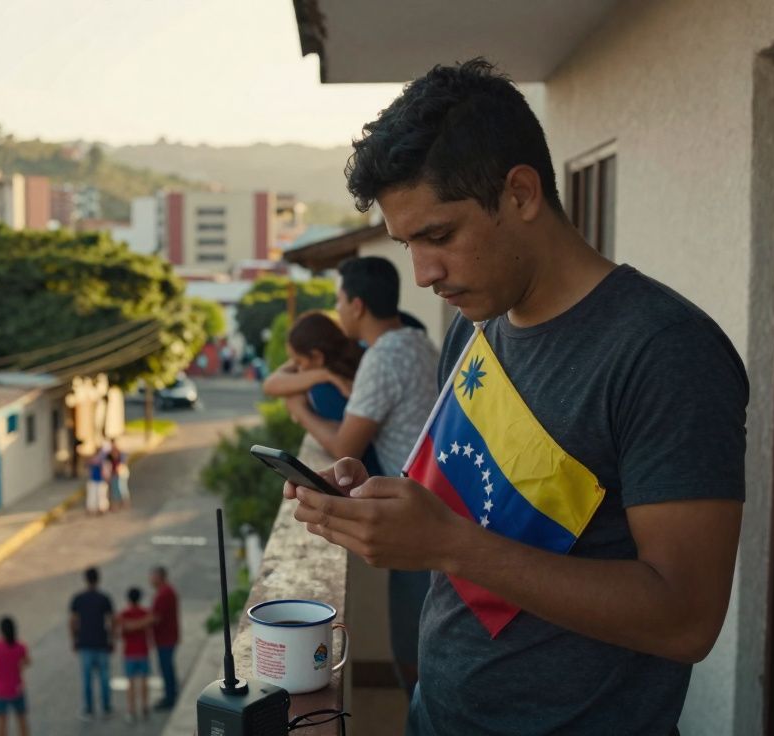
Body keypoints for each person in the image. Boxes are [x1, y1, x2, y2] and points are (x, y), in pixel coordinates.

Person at [283, 59, 748, 735]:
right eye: (407, 243)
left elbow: (686, 618)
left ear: (522, 193)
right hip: (439, 713)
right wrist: (369, 500)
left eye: (439, 235)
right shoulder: (476, 331)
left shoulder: (665, 351)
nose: (424, 273)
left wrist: (449, 545)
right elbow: (468, 514)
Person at [284, 256, 438, 693]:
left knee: (413, 658)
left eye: (338, 300)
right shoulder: (417, 341)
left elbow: (343, 446)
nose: (337, 310)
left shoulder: (383, 358)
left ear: (356, 305)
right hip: (437, 503)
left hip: (418, 519)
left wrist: (298, 409)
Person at [264, 310, 383, 474]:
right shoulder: (358, 353)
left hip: (368, 475)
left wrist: (299, 410)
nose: (298, 370)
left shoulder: (323, 392)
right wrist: (323, 374)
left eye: (299, 362)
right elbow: (270, 384)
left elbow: (342, 448)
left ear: (317, 357)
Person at [69, 566, 114, 720]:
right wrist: (112, 639)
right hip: (101, 642)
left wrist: (74, 639)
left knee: (87, 679)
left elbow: (73, 621)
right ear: (98, 579)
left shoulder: (78, 599)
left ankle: (89, 708)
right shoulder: (104, 598)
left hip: (85, 643)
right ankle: (106, 706)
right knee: (104, 677)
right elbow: (110, 621)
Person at [0, 616, 31, 736]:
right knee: (22, 721)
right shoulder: (20, 647)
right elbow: (27, 661)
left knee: (1, 725)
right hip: (16, 687)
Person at [117, 587, 153, 723]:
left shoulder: (124, 614)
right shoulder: (145, 613)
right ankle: (145, 706)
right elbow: (149, 627)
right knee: (144, 681)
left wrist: (130, 626)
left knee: (130, 683)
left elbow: (121, 631)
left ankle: (131, 710)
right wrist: (143, 622)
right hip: (143, 651)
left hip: (129, 653)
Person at [149, 566, 180, 710]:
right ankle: (171, 693)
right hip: (167, 637)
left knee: (166, 668)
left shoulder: (164, 593)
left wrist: (135, 623)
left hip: (165, 638)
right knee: (168, 667)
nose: (150, 579)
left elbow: (156, 617)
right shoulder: (166, 591)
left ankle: (170, 698)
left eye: (152, 576)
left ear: (159, 577)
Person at [108, 439, 131, 510]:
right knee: (115, 489)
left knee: (122, 488)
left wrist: (118, 469)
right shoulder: (109, 454)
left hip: (121, 474)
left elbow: (122, 464)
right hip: (114, 474)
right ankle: (116, 504)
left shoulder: (120, 454)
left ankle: (125, 503)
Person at [85, 449, 109, 515]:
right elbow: (88, 469)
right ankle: (92, 509)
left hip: (101, 481)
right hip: (93, 480)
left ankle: (101, 508)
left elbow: (105, 472)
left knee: (101, 496)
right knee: (92, 496)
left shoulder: (102, 462)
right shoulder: (92, 461)